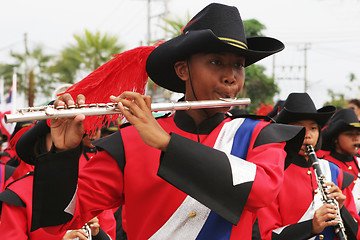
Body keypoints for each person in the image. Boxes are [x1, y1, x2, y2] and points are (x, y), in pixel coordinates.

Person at [19, 3, 305, 239]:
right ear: (182, 69)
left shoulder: (259, 135)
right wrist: (63, 154)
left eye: (239, 65)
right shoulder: (127, 142)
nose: (231, 76)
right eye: (216, 62)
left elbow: (260, 192)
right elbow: (58, 222)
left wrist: (167, 144)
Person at [257, 92, 360, 240]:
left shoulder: (333, 171)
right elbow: (266, 235)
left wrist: (341, 209)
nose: (308, 135)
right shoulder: (271, 173)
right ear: (283, 131)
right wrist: (311, 227)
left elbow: (356, 232)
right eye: (299, 128)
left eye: (313, 128)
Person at [320, 108, 360, 216]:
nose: (356, 138)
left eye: (358, 133)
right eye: (349, 134)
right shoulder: (325, 166)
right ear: (336, 139)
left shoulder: (358, 162)